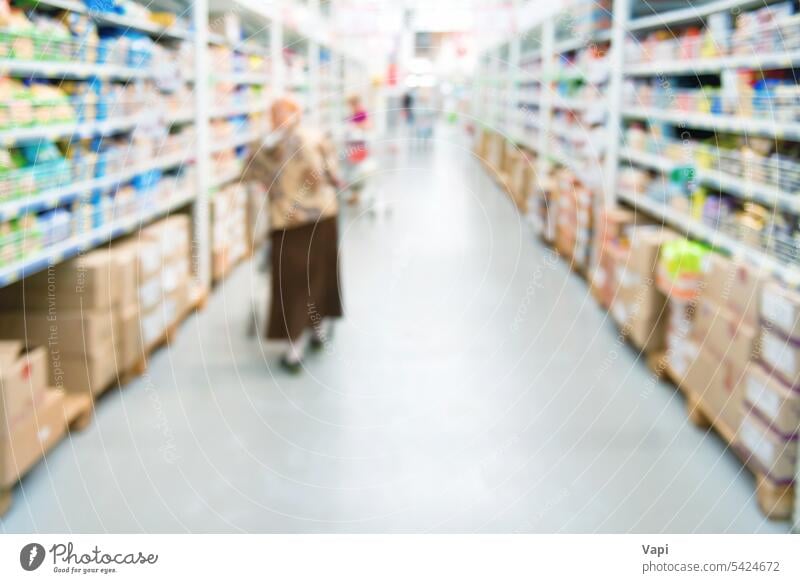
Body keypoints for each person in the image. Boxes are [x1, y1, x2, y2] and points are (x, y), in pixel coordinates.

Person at [243, 96, 344, 373]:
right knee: (319, 279)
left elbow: (249, 174)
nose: (275, 119)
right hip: (323, 218)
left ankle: (294, 350)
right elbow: (335, 176)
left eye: (276, 114)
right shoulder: (317, 137)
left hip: (289, 223)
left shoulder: (266, 145)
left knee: (292, 285)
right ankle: (316, 331)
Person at [345, 94, 372, 206]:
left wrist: (356, 126)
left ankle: (356, 195)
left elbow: (368, 125)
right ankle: (354, 194)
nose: (350, 107)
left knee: (356, 172)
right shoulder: (354, 114)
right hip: (353, 145)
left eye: (351, 105)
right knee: (353, 171)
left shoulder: (362, 113)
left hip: (360, 147)